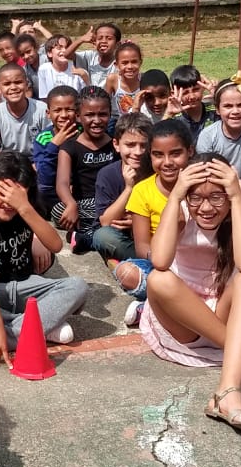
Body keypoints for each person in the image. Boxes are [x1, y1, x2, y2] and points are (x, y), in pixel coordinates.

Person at [143, 154, 241, 435]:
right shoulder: (180, 212)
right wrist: (176, 195)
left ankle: (227, 392)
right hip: (183, 318)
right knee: (158, 279)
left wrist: (237, 198)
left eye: (216, 197)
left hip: (226, 314)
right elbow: (160, 260)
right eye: (196, 198)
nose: (205, 208)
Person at [0, 151, 89, 362]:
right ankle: (39, 328)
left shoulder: (27, 208)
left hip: (27, 286)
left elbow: (56, 245)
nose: (8, 202)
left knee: (77, 286)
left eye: (16, 196)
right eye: (1, 193)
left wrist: (24, 207)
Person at [117, 119, 197, 316]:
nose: (167, 162)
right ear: (150, 155)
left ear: (190, 151)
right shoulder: (142, 191)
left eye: (175, 153)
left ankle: (156, 306)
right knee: (126, 272)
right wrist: (165, 259)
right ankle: (172, 302)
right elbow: (142, 247)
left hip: (200, 260)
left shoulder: (201, 185)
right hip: (162, 263)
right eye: (158, 155)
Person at [54, 86, 117, 252]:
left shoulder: (116, 144)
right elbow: (62, 183)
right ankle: (93, 232)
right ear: (78, 116)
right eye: (89, 115)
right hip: (81, 204)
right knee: (58, 210)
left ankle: (87, 238)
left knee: (109, 216)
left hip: (109, 203)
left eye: (102, 114)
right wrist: (71, 204)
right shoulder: (69, 147)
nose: (96, 120)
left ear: (110, 114)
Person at [92, 112, 153, 268]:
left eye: (144, 145)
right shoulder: (107, 174)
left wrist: (139, 223)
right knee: (102, 237)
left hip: (154, 234)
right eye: (130, 145)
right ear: (116, 145)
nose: (138, 152)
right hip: (125, 238)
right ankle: (150, 261)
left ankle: (148, 262)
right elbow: (106, 221)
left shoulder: (156, 171)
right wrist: (129, 188)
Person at [196, 75, 241, 179]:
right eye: (228, 106)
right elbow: (205, 172)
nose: (235, 111)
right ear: (217, 109)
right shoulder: (208, 136)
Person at [0, 63, 48, 158]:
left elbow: (52, 143)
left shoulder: (41, 109)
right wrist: (12, 162)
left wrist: (38, 163)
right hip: (8, 160)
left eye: (18, 82)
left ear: (26, 84)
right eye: (7, 84)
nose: (13, 87)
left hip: (38, 160)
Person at [170, 65, 216, 137]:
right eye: (185, 92)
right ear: (173, 93)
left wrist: (219, 96)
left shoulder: (215, 109)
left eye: (196, 89)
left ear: (202, 86)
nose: (192, 96)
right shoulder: (174, 118)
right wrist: (168, 114)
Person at [36, 34, 87, 98]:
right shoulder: (44, 69)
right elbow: (44, 96)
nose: (64, 50)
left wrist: (85, 77)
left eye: (67, 48)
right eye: (59, 48)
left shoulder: (78, 70)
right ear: (49, 53)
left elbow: (86, 96)